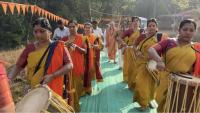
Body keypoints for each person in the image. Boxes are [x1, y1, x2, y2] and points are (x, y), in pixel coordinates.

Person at [8, 18, 73, 97]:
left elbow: (69, 65)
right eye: (35, 31)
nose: (38, 34)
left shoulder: (58, 46)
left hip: (53, 91)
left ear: (50, 33)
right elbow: (18, 65)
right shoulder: (30, 48)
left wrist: (53, 75)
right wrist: (9, 79)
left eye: (42, 31)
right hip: (34, 89)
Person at [148, 19, 200, 112]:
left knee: (179, 108)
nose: (188, 32)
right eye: (185, 29)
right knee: (162, 107)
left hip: (185, 83)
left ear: (195, 32)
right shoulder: (169, 42)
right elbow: (151, 50)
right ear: (179, 30)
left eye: (191, 30)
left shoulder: (197, 47)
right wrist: (159, 61)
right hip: (166, 79)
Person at [133, 18, 168, 111]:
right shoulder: (142, 36)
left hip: (154, 65)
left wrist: (160, 60)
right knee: (141, 83)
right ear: (147, 27)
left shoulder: (161, 37)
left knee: (152, 86)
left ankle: (149, 101)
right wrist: (137, 52)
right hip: (142, 63)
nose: (151, 27)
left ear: (157, 27)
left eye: (153, 25)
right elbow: (134, 45)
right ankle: (143, 103)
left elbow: (167, 51)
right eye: (149, 26)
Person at [63, 20, 86, 112]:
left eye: (73, 26)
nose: (71, 28)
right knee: (68, 88)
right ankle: (72, 107)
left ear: (77, 27)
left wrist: (76, 47)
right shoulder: (64, 39)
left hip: (78, 66)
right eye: (70, 27)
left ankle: (76, 105)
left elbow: (85, 51)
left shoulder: (82, 38)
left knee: (77, 88)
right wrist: (66, 45)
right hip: (67, 68)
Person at [120, 16, 142, 85]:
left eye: (137, 21)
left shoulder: (142, 31)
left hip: (137, 51)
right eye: (135, 21)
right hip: (129, 51)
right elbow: (119, 38)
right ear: (132, 22)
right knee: (128, 65)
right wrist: (124, 44)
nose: (136, 22)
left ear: (139, 23)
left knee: (136, 65)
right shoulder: (129, 31)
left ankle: (135, 79)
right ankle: (127, 78)